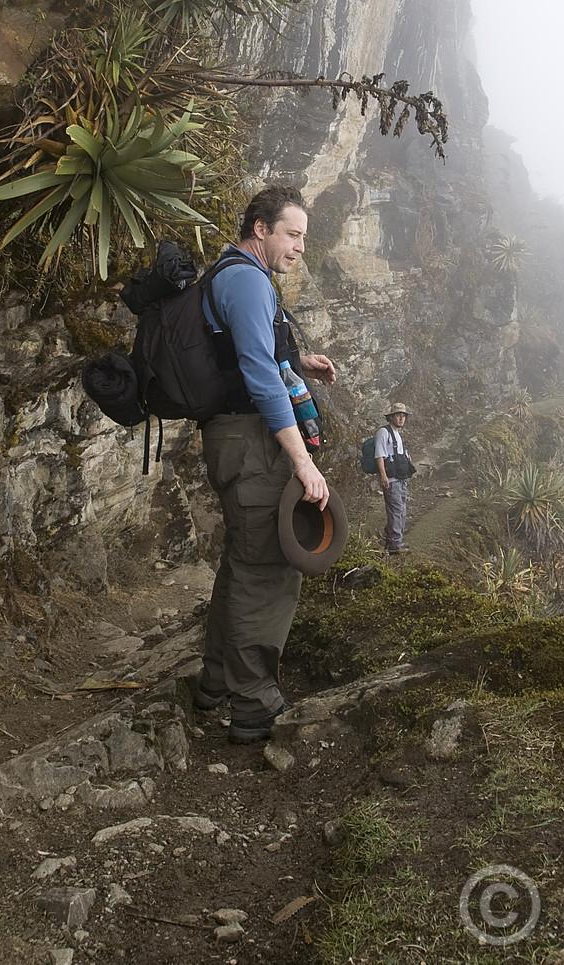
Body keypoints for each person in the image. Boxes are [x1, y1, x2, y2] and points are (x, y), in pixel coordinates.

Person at [190, 185, 338, 743]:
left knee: (241, 561)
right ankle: (252, 705)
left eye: (303, 236)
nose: (300, 246)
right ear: (260, 229)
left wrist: (298, 360)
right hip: (252, 439)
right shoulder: (248, 282)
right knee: (268, 568)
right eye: (292, 234)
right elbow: (260, 378)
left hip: (233, 435)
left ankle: (216, 682)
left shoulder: (233, 275)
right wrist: (302, 461)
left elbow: (245, 349)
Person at [374, 402, 416, 554]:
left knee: (401, 510)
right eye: (398, 415)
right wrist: (383, 476)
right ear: (391, 417)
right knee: (396, 510)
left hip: (401, 478)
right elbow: (379, 455)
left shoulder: (397, 434)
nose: (401, 418)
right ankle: (395, 546)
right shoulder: (383, 433)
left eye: (403, 416)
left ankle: (392, 539)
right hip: (391, 480)